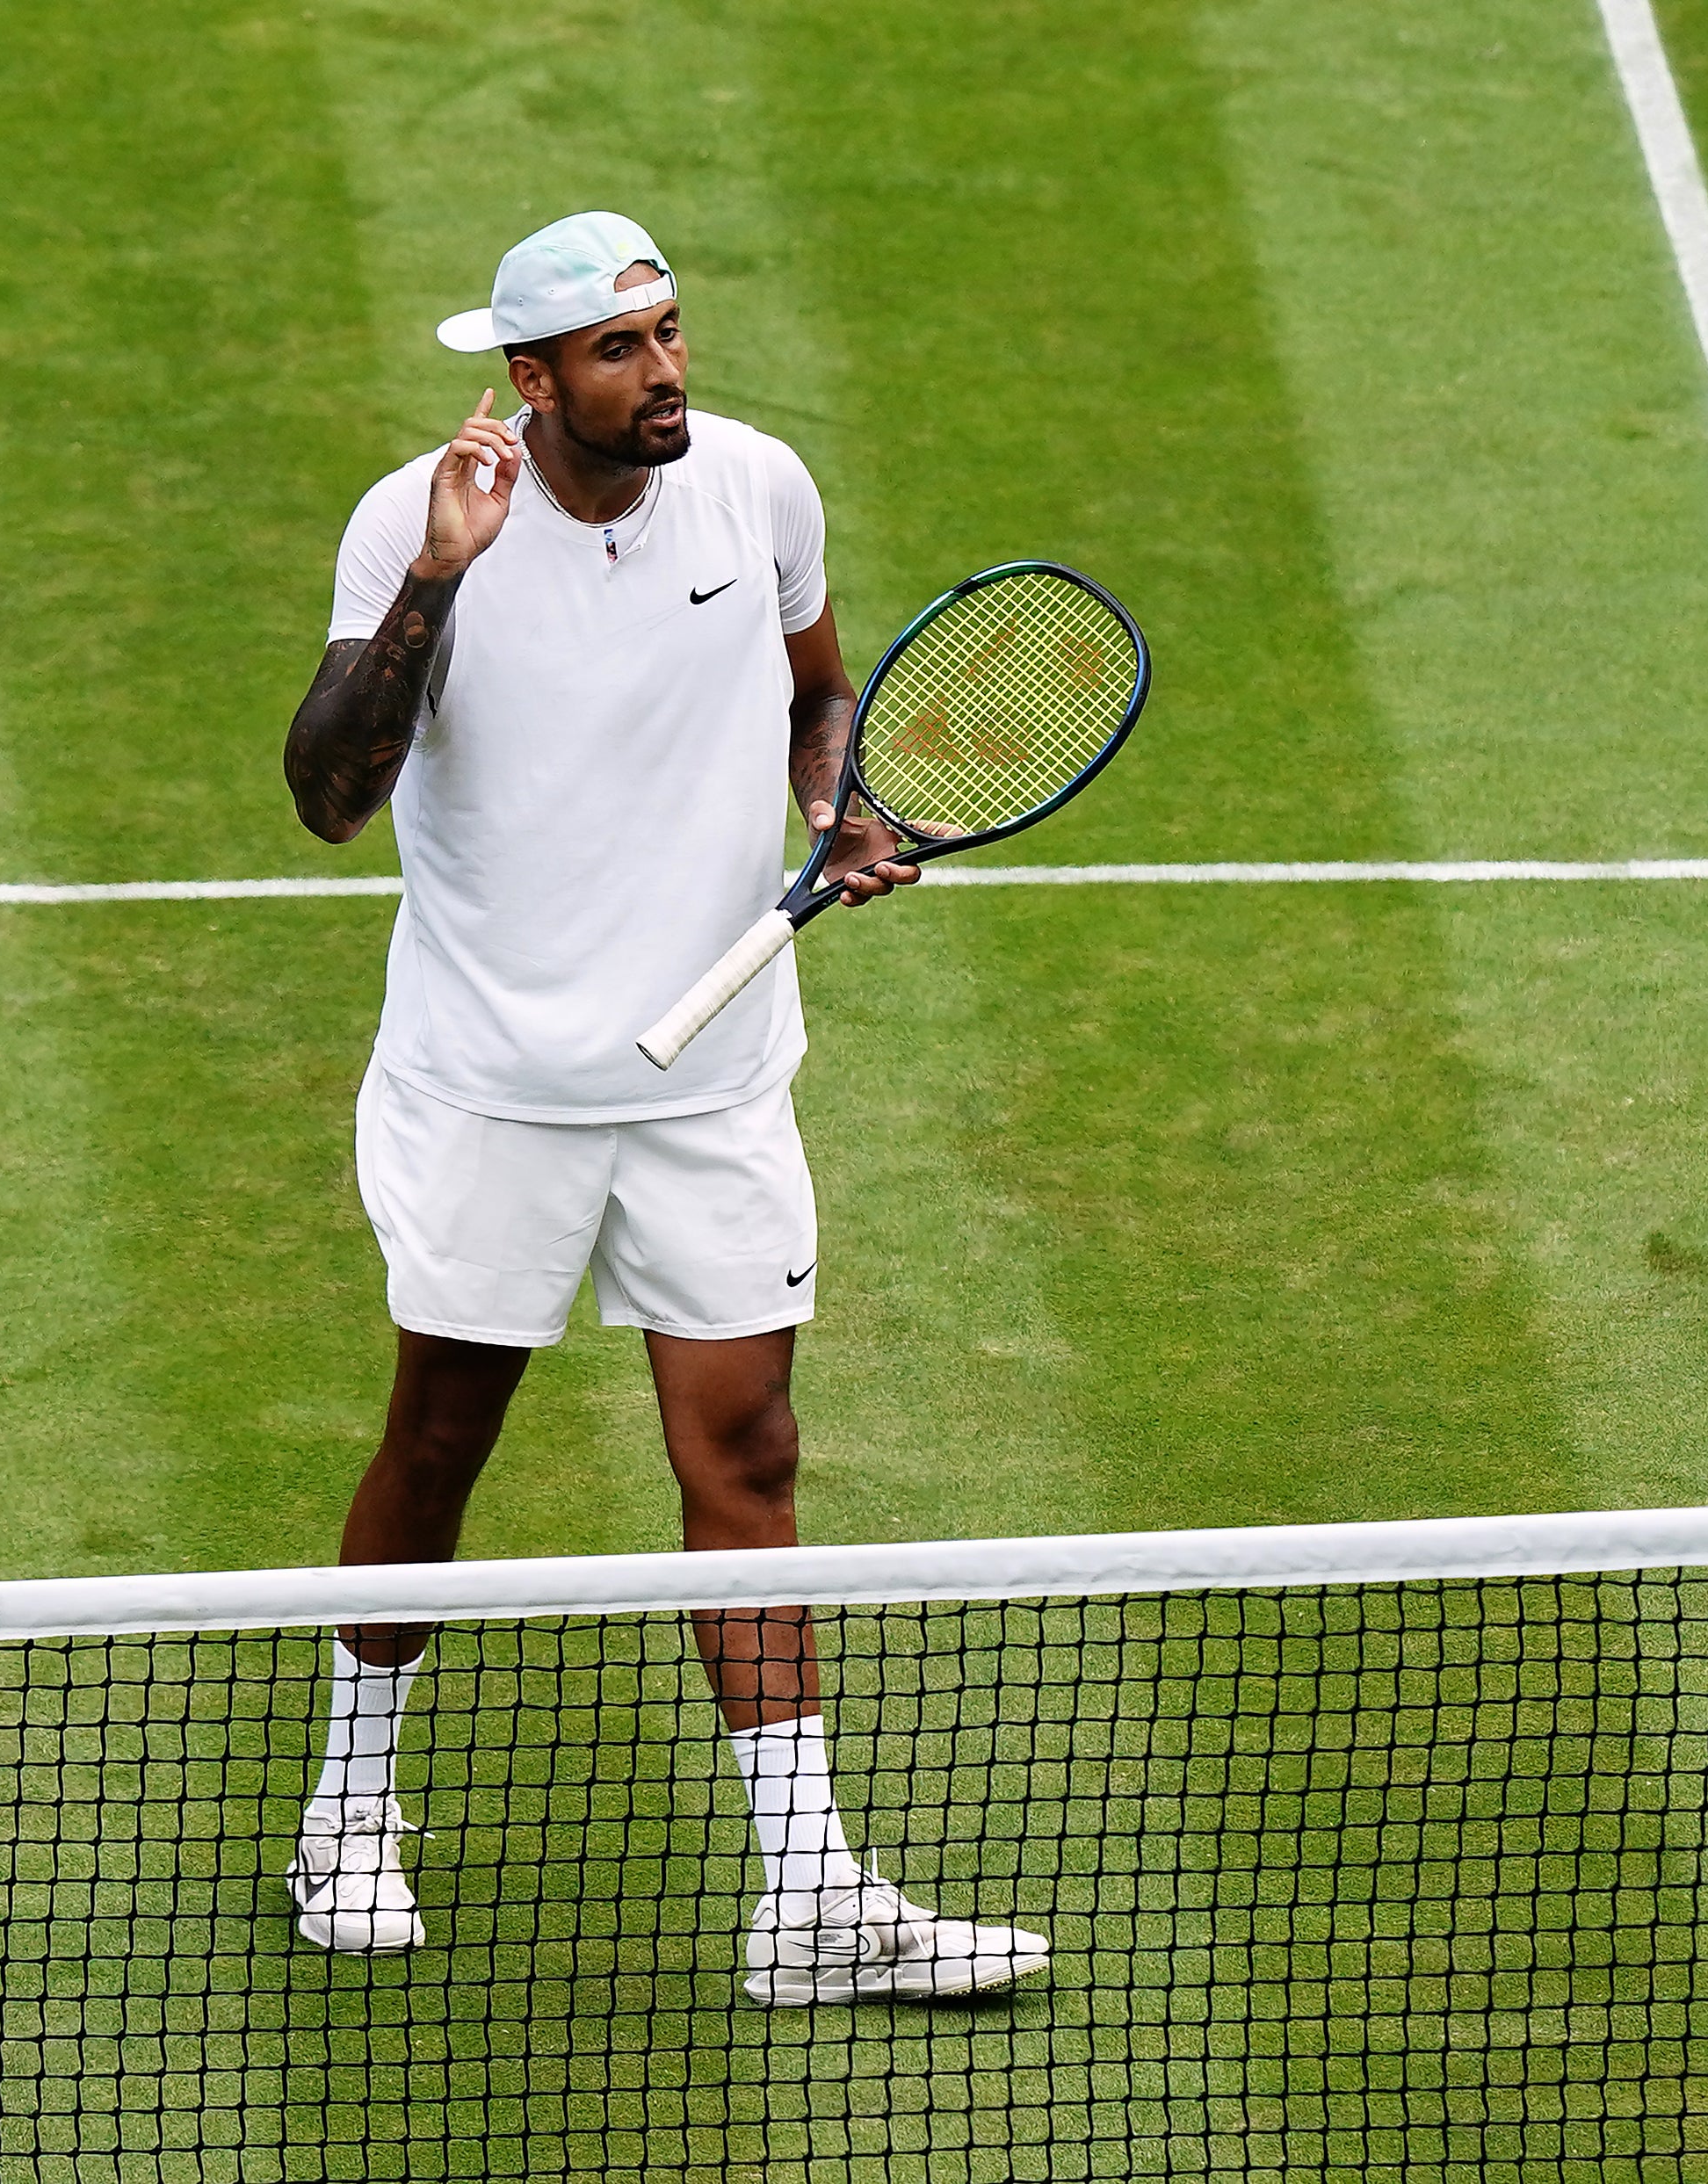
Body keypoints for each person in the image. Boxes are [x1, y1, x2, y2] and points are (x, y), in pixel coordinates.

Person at [275, 210, 1049, 2007]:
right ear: (532, 380)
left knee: (747, 1457)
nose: (665, 371)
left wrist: (840, 808)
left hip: (713, 1081)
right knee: (439, 1447)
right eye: (619, 351)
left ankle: (809, 1895)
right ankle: (346, 1813)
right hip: (494, 1088)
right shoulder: (415, 521)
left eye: (671, 332)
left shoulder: (757, 487)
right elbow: (329, 792)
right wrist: (442, 573)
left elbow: (817, 691)